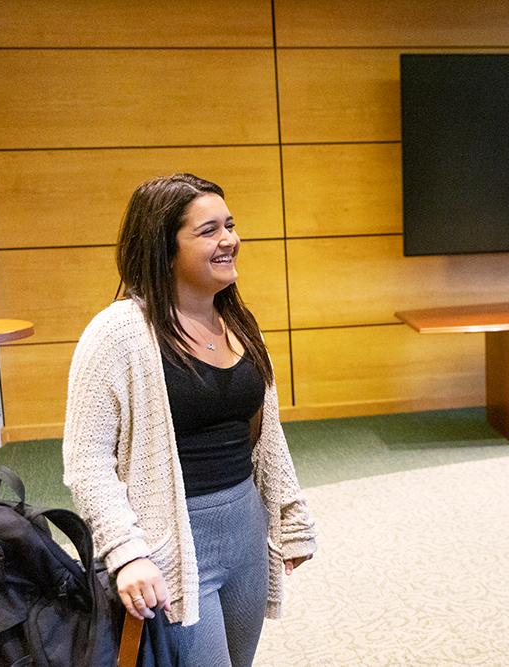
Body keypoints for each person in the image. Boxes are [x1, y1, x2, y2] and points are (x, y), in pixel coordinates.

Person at [62, 173, 317, 667]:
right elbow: (87, 461)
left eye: (230, 225)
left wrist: (288, 514)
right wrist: (126, 552)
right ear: (164, 247)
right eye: (208, 231)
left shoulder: (238, 320)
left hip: (244, 528)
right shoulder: (117, 334)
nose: (230, 240)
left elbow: (267, 434)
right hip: (172, 541)